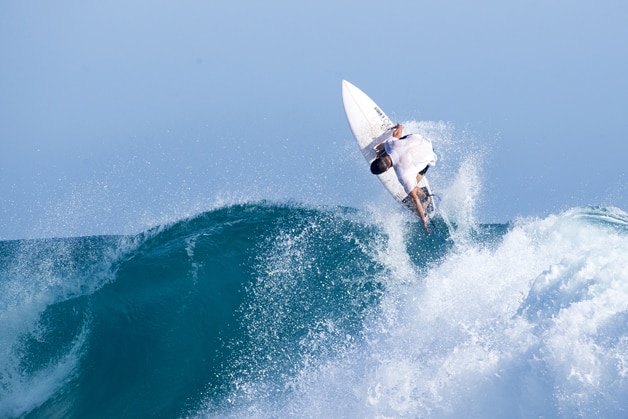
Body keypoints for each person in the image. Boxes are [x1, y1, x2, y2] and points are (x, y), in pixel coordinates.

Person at [370, 123, 437, 233]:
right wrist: (398, 126)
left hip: (430, 155)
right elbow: (400, 129)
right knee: (395, 143)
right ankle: (425, 197)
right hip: (422, 140)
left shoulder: (403, 175)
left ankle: (426, 198)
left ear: (387, 170)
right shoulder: (389, 144)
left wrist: (423, 220)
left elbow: (415, 199)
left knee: (412, 192)